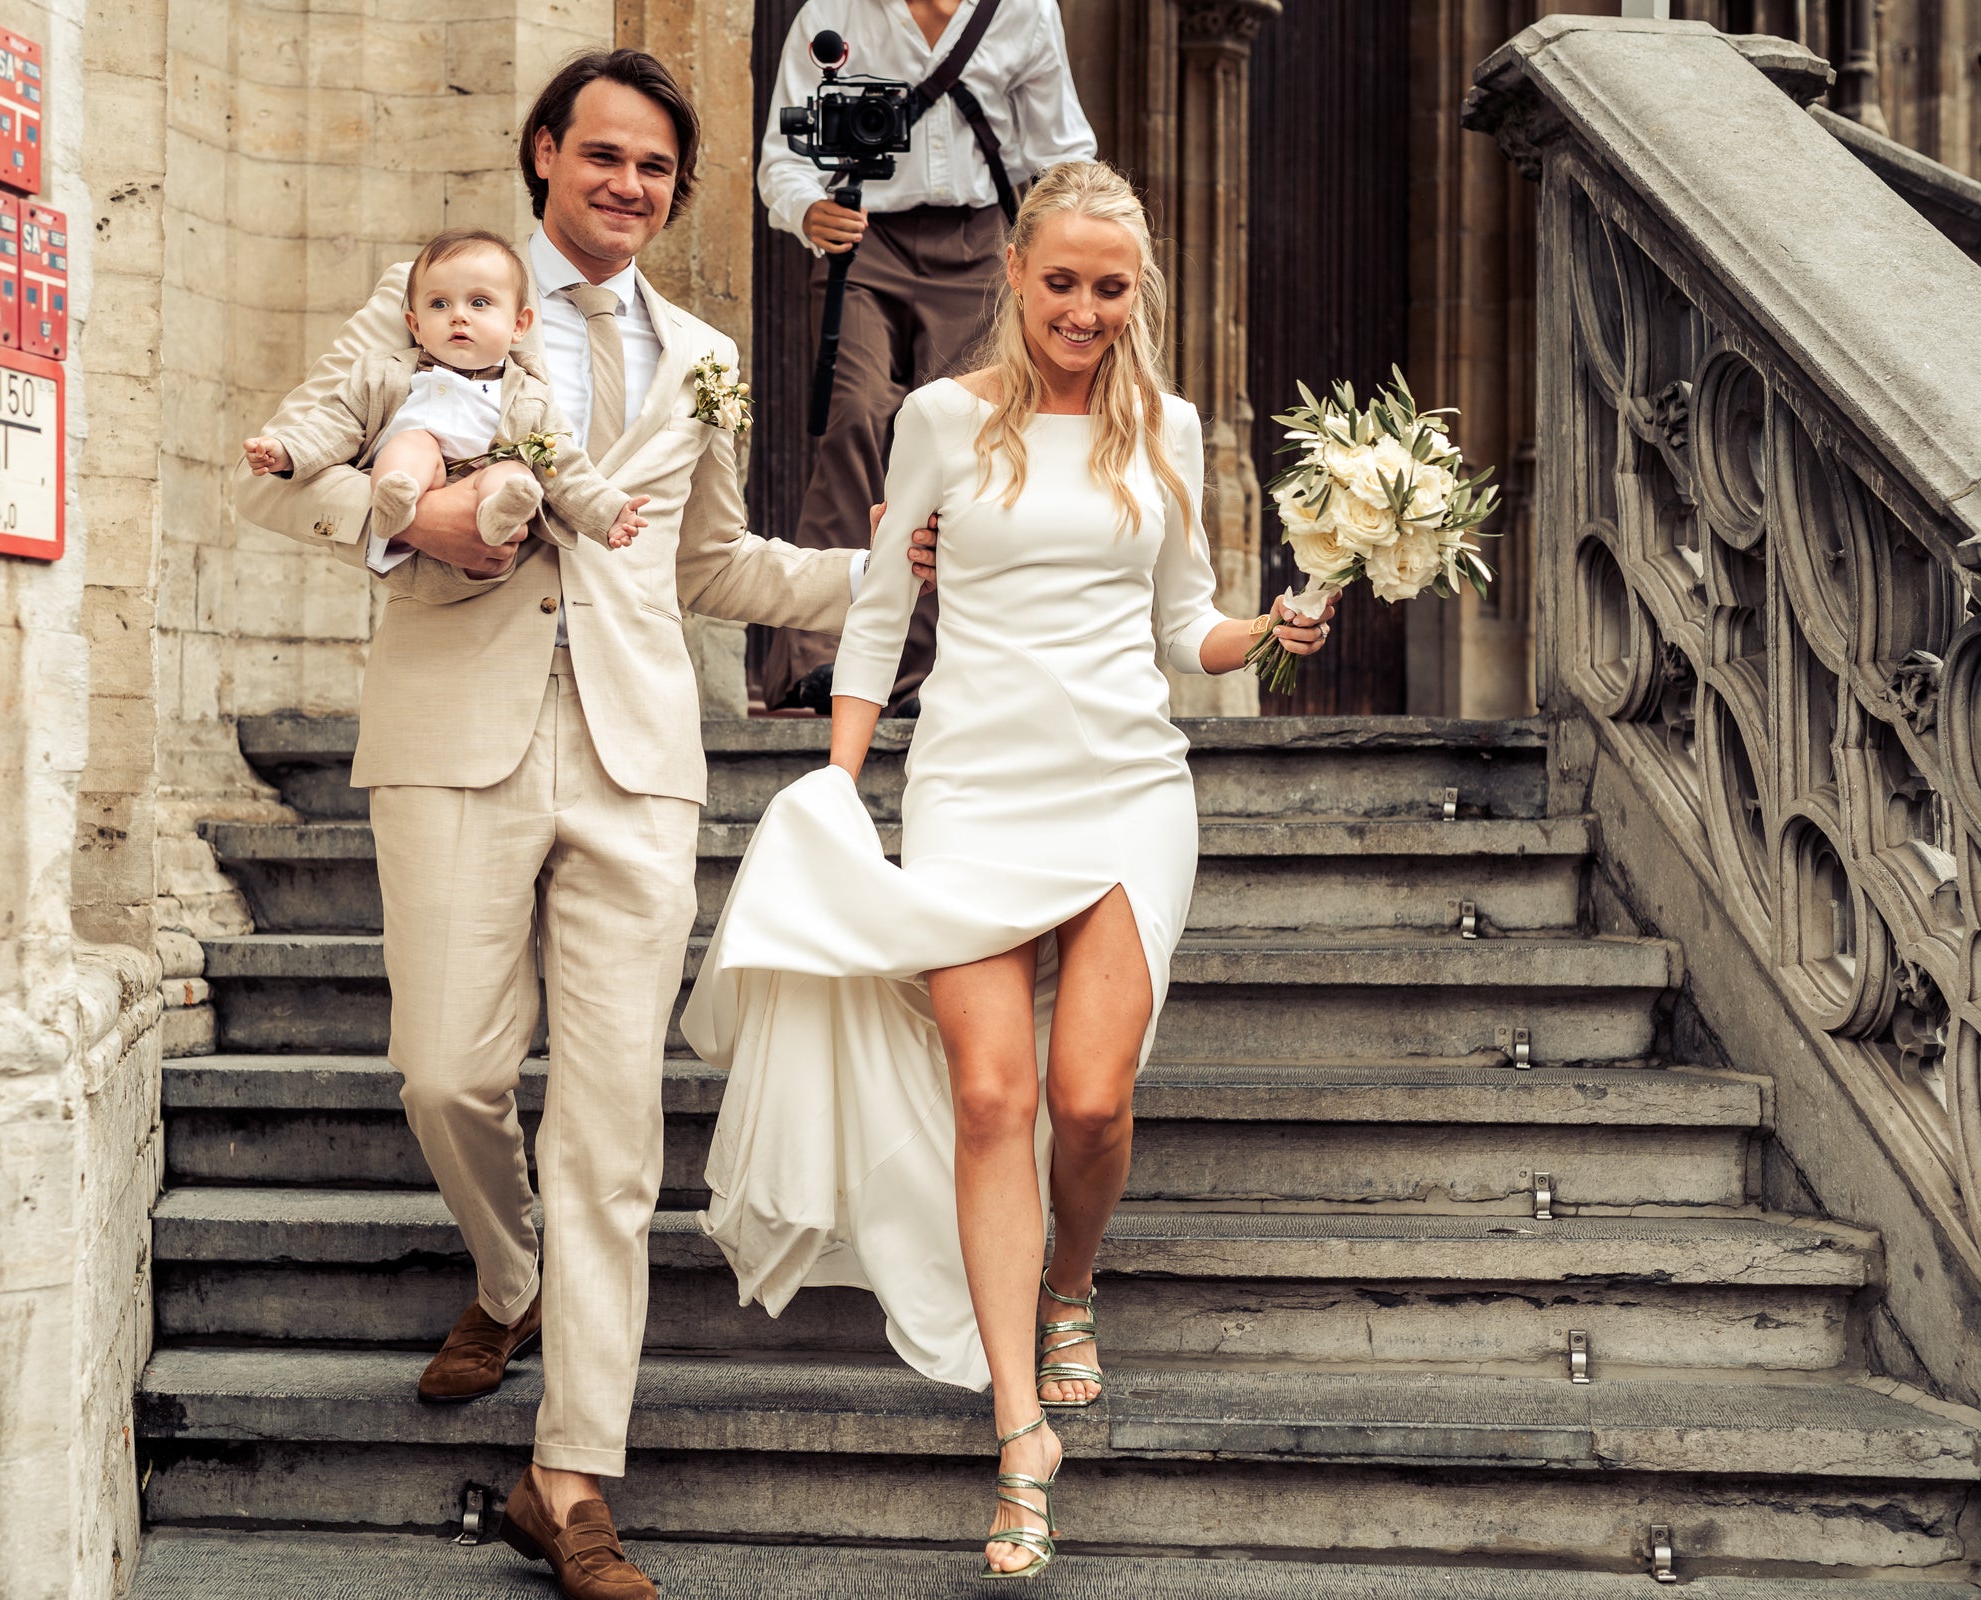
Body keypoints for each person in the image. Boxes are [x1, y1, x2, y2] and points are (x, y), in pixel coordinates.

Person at [232, 50, 937, 1600]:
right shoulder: (436, 295)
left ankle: (573, 1479)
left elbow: (713, 563)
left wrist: (878, 573)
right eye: (604, 157)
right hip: (452, 738)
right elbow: (279, 473)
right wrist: (395, 515)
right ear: (546, 152)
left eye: (658, 172)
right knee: (448, 1071)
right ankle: (510, 1274)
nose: (630, 187)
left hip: (636, 759)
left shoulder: (701, 350)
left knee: (613, 1130)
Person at [685, 163, 1335, 1579]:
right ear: (1016, 276)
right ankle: (1016, 1425)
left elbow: (1187, 630)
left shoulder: (1165, 431)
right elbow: (877, 610)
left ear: (1135, 291)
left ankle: (1072, 1283)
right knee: (990, 1091)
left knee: (1087, 1100)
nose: (1085, 309)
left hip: (1124, 792)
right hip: (974, 785)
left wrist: (1279, 628)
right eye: (1062, 282)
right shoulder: (938, 421)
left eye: (1111, 287)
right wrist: (841, 786)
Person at [749, 0, 1098, 713]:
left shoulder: (1025, 13)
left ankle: (920, 674)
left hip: (981, 249)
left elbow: (1063, 154)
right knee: (852, 417)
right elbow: (783, 160)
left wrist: (1068, 260)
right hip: (862, 246)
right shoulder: (834, 12)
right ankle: (816, 659)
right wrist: (807, 210)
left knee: (959, 448)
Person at [241, 228, 651, 556]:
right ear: (414, 325)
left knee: (515, 473)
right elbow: (335, 422)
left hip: (481, 483)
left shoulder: (530, 395)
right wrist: (287, 449)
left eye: (479, 303)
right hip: (427, 481)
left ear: (518, 326)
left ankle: (498, 516)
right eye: (438, 305)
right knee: (413, 444)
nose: (458, 315)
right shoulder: (385, 374)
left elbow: (565, 464)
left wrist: (609, 513)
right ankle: (394, 502)